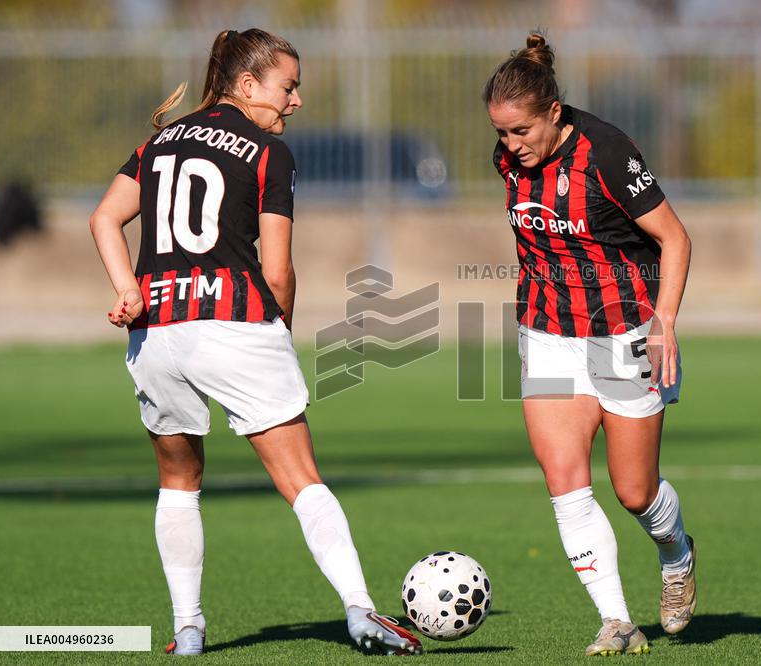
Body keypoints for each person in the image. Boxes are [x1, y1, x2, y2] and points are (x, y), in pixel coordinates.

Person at [89, 28, 421, 657]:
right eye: (287, 87)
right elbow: (278, 270)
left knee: (178, 481)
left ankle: (188, 628)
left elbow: (103, 216)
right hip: (234, 324)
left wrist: (127, 288)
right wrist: (279, 333)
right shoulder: (266, 150)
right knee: (301, 478)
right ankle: (360, 610)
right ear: (246, 86)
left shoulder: (159, 140)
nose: (295, 101)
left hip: (154, 332)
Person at [483, 31, 696, 656]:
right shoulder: (509, 157)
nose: (510, 145)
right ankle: (615, 620)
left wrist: (665, 321)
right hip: (547, 335)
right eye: (500, 133)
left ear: (553, 112)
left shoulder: (607, 152)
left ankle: (677, 552)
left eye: (521, 131)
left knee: (635, 492)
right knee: (566, 480)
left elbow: (676, 239)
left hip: (623, 334)